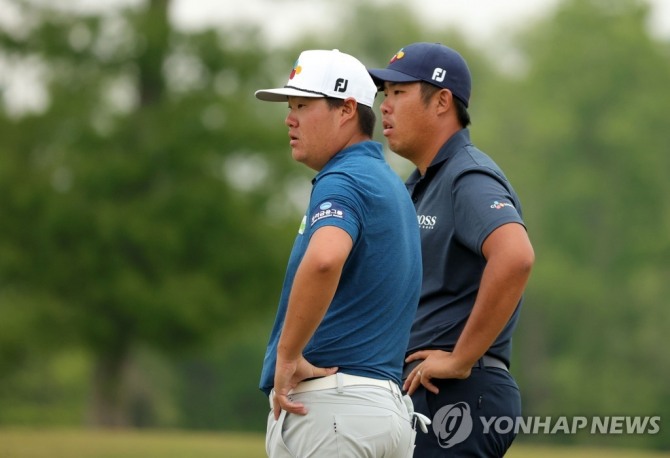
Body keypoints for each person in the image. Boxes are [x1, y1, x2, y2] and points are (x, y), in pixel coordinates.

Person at [255, 49, 425, 458]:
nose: (289, 118)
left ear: (347, 109)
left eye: (302, 105)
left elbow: (325, 258)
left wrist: (288, 354)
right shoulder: (387, 181)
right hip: (381, 411)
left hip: (335, 414)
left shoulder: (343, 178)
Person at [368, 42, 535, 457]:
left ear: (442, 101)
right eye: (384, 94)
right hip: (426, 395)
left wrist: (461, 358)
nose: (385, 107)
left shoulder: (468, 176)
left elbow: (515, 257)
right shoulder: (418, 184)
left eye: (399, 93)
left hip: (461, 393)